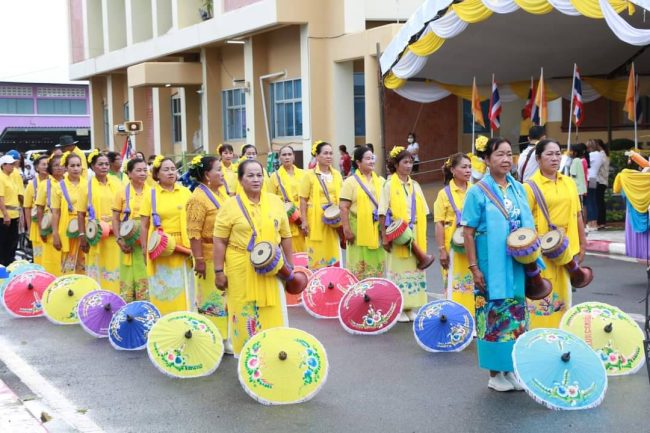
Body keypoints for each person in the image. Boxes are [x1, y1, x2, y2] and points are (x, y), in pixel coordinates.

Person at [462, 137, 534, 392]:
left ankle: (510, 368)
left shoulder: (518, 188)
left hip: (514, 265)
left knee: (515, 316)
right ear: (487, 160)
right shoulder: (477, 191)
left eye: (508, 154)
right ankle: (495, 374)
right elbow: (468, 232)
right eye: (499, 155)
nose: (506, 159)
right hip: (489, 266)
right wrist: (474, 268)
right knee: (492, 316)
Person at [213, 159, 293, 357]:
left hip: (272, 267)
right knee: (243, 309)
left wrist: (290, 265)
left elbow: (286, 235)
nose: (256, 179)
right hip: (240, 266)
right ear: (240, 180)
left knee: (273, 309)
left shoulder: (275, 202)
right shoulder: (230, 206)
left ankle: (273, 352)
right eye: (250, 175)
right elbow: (219, 240)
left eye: (259, 175)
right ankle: (246, 355)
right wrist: (218, 271)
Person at [523, 139, 587, 329]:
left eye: (558, 153)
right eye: (549, 154)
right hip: (542, 253)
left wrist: (582, 244)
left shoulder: (569, 182)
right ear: (538, 158)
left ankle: (561, 335)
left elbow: (577, 215)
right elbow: (524, 225)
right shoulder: (529, 186)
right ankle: (540, 336)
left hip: (567, 250)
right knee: (542, 300)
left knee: (564, 296)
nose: (555, 158)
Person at [379, 146, 430, 322]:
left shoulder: (415, 185)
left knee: (415, 270)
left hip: (415, 231)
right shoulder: (388, 184)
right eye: (405, 162)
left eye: (411, 162)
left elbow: (424, 210)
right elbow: (381, 212)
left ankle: (410, 308)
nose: (409, 165)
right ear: (396, 164)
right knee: (398, 269)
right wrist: (384, 236)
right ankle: (398, 308)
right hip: (397, 234)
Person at [139, 156, 192, 315]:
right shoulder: (151, 194)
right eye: (166, 169)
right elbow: (144, 224)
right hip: (160, 247)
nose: (171, 172)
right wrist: (144, 249)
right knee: (163, 285)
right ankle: (163, 319)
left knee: (183, 284)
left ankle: (183, 319)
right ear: (157, 174)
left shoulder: (185, 192)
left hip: (183, 245)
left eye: (173, 169)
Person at [186, 155, 229, 345]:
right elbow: (194, 233)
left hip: (226, 254)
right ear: (206, 175)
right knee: (213, 297)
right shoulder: (198, 198)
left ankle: (227, 334)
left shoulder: (221, 193)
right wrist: (199, 259)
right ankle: (214, 337)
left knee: (226, 296)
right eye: (218, 169)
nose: (222, 173)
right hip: (209, 256)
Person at [433, 153, 474, 315]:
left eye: (470, 166)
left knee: (473, 281)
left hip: (473, 244)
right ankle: (456, 318)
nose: (468, 170)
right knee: (454, 281)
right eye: (463, 167)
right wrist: (442, 249)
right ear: (453, 170)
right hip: (453, 246)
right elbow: (439, 223)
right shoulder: (444, 194)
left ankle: (473, 318)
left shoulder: (476, 190)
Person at [78, 151, 121, 293]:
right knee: (98, 265)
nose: (104, 167)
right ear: (92, 166)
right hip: (95, 232)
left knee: (114, 265)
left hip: (114, 231)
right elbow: (80, 212)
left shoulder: (116, 183)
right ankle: (98, 294)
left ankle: (115, 295)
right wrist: (82, 235)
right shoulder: (86, 186)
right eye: (100, 164)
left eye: (107, 164)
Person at [340, 146, 385, 280]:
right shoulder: (350, 182)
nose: (371, 161)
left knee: (376, 261)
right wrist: (346, 230)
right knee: (358, 263)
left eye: (372, 158)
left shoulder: (381, 181)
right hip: (357, 229)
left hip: (376, 228)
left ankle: (375, 289)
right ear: (358, 162)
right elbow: (343, 207)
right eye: (367, 159)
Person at [299, 141, 344, 269]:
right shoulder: (309, 175)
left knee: (333, 246)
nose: (329, 156)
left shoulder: (336, 174)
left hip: (333, 218)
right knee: (317, 247)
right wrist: (304, 221)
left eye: (331, 153)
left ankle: (333, 275)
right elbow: (303, 199)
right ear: (317, 156)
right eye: (325, 153)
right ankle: (318, 276)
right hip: (315, 219)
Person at [112, 158, 149, 302]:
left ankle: (145, 301)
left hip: (146, 237)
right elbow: (115, 218)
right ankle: (127, 302)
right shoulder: (121, 193)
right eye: (138, 170)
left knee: (145, 268)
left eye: (145, 170)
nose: (143, 173)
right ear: (129, 173)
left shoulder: (152, 191)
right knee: (127, 270)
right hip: (127, 237)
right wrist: (119, 238)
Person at [51, 152, 85, 275]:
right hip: (66, 229)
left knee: (85, 263)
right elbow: (55, 212)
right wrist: (55, 234)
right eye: (72, 166)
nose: (76, 168)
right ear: (66, 168)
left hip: (85, 228)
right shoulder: (58, 187)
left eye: (78, 165)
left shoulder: (88, 184)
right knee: (68, 266)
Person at [269, 145, 306, 253]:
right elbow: (271, 200)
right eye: (284, 155)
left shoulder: (304, 174)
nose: (287, 157)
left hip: (303, 218)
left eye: (289, 154)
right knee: (291, 255)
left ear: (294, 156)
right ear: (279, 157)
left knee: (306, 254)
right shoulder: (274, 177)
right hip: (286, 219)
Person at [35, 155, 65, 275]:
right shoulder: (45, 184)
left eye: (61, 165)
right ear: (50, 168)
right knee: (52, 256)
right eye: (55, 165)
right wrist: (41, 229)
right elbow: (40, 208)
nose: (59, 168)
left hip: (67, 223)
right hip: (50, 223)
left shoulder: (69, 182)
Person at [23, 154, 49, 266]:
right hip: (36, 224)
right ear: (37, 167)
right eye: (43, 164)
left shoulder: (55, 182)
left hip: (52, 223)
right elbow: (27, 207)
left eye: (48, 164)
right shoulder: (31, 185)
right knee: (39, 254)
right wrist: (29, 227)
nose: (46, 166)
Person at [0, 155, 21, 266]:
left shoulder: (10, 177)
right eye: (10, 164)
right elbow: (0, 198)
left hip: (14, 214)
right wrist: (5, 215)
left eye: (14, 164)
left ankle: (9, 262)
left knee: (12, 241)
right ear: (3, 165)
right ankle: (2, 264)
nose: (13, 166)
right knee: (3, 241)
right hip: (4, 215)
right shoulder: (1, 177)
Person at [585, 139, 604, 232]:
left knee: (589, 201)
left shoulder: (591, 155)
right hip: (594, 178)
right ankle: (595, 223)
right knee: (593, 201)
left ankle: (590, 223)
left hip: (588, 178)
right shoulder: (600, 155)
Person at [596, 139, 610, 230]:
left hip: (600, 181)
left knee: (599, 202)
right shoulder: (605, 154)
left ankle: (601, 222)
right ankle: (602, 222)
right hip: (603, 181)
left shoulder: (600, 155)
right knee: (600, 202)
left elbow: (596, 168)